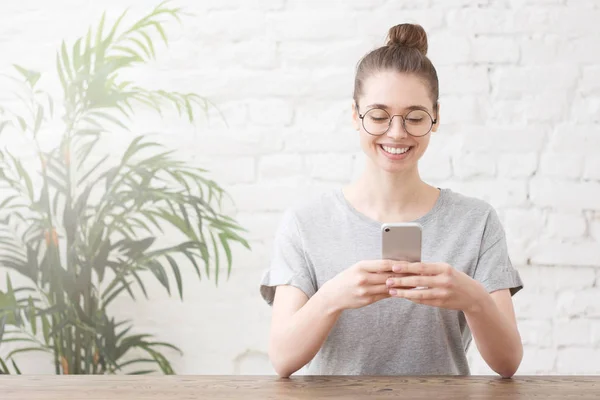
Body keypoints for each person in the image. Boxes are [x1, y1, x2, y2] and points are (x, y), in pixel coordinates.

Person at [259, 23, 524, 378]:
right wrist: (333, 296)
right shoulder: (305, 223)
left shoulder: (476, 221)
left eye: (414, 117)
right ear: (355, 115)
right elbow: (282, 359)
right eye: (379, 116)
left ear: (436, 118)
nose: (397, 132)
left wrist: (472, 298)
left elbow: (507, 363)